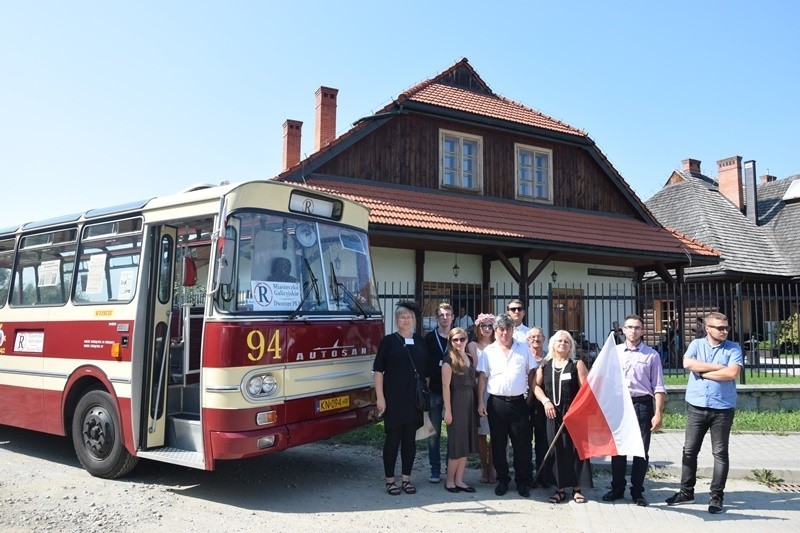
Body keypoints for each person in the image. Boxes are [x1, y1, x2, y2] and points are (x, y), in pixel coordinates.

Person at [666, 311, 743, 514]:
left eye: (726, 327)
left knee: (720, 453)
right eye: (720, 328)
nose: (724, 331)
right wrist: (717, 368)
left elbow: (732, 373)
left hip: (723, 408)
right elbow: (687, 364)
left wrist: (702, 371)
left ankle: (716, 497)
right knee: (689, 450)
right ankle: (686, 493)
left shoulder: (733, 348)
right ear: (707, 328)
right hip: (697, 406)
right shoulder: (696, 345)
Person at [602, 314, 666, 507]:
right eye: (629, 327)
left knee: (640, 451)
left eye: (637, 327)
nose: (633, 331)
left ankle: (637, 491)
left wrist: (658, 412)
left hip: (642, 405)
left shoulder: (651, 355)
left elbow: (659, 386)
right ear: (623, 330)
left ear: (642, 331)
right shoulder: (614, 353)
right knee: (618, 450)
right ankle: (617, 488)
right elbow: (605, 380)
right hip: (620, 405)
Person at [477, 313, 537, 498]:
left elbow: (532, 373)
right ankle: (502, 479)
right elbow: (482, 377)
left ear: (513, 330)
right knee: (498, 443)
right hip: (496, 403)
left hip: (519, 403)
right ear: (496, 331)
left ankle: (522, 481)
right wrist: (480, 400)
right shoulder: (489, 352)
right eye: (501, 329)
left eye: (508, 329)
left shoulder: (524, 349)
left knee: (522, 444)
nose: (505, 332)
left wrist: (528, 399)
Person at [373, 301, 429, 496]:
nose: (406, 319)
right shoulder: (388, 341)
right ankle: (390, 480)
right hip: (394, 398)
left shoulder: (421, 341)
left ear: (414, 320)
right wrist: (380, 398)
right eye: (402, 317)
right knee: (392, 440)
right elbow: (378, 371)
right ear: (397, 320)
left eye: (410, 317)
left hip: (413, 400)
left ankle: (406, 479)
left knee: (409, 441)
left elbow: (427, 372)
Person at [533, 330, 592, 504]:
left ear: (571, 345)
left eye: (567, 341)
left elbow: (585, 390)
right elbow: (536, 386)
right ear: (552, 344)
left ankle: (577, 488)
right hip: (552, 412)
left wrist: (575, 409)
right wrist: (545, 401)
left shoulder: (577, 364)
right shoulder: (545, 364)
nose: (563, 344)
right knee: (556, 449)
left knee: (575, 449)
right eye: (559, 340)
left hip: (574, 412)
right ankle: (559, 489)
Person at [442, 327, 479, 493]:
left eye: (461, 339)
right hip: (456, 401)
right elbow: (445, 387)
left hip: (470, 401)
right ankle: (450, 480)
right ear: (450, 342)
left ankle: (459, 479)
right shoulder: (448, 360)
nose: (458, 342)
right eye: (455, 340)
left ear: (466, 339)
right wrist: (448, 411)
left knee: (465, 442)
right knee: (457, 443)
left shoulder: (469, 357)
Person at [424, 302, 453, 483]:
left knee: (453, 433)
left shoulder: (458, 337)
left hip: (453, 392)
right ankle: (435, 469)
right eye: (441, 315)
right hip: (434, 391)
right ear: (437, 318)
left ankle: (451, 468)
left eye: (447, 315)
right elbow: (424, 362)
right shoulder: (429, 337)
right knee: (433, 434)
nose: (445, 318)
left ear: (452, 317)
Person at [466, 313, 495, 483]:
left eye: (490, 326)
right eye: (483, 326)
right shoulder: (472, 345)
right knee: (482, 433)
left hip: (496, 387)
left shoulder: (499, 344)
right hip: (480, 388)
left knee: (496, 432)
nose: (487, 329)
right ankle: (484, 468)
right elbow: (477, 367)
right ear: (478, 328)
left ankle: (493, 466)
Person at [526, 326, 555, 488]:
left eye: (539, 337)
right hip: (524, 403)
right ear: (527, 340)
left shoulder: (550, 358)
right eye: (532, 337)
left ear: (544, 339)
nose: (536, 339)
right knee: (525, 441)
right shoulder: (522, 356)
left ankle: (543, 474)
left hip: (544, 404)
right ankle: (527, 475)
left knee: (543, 440)